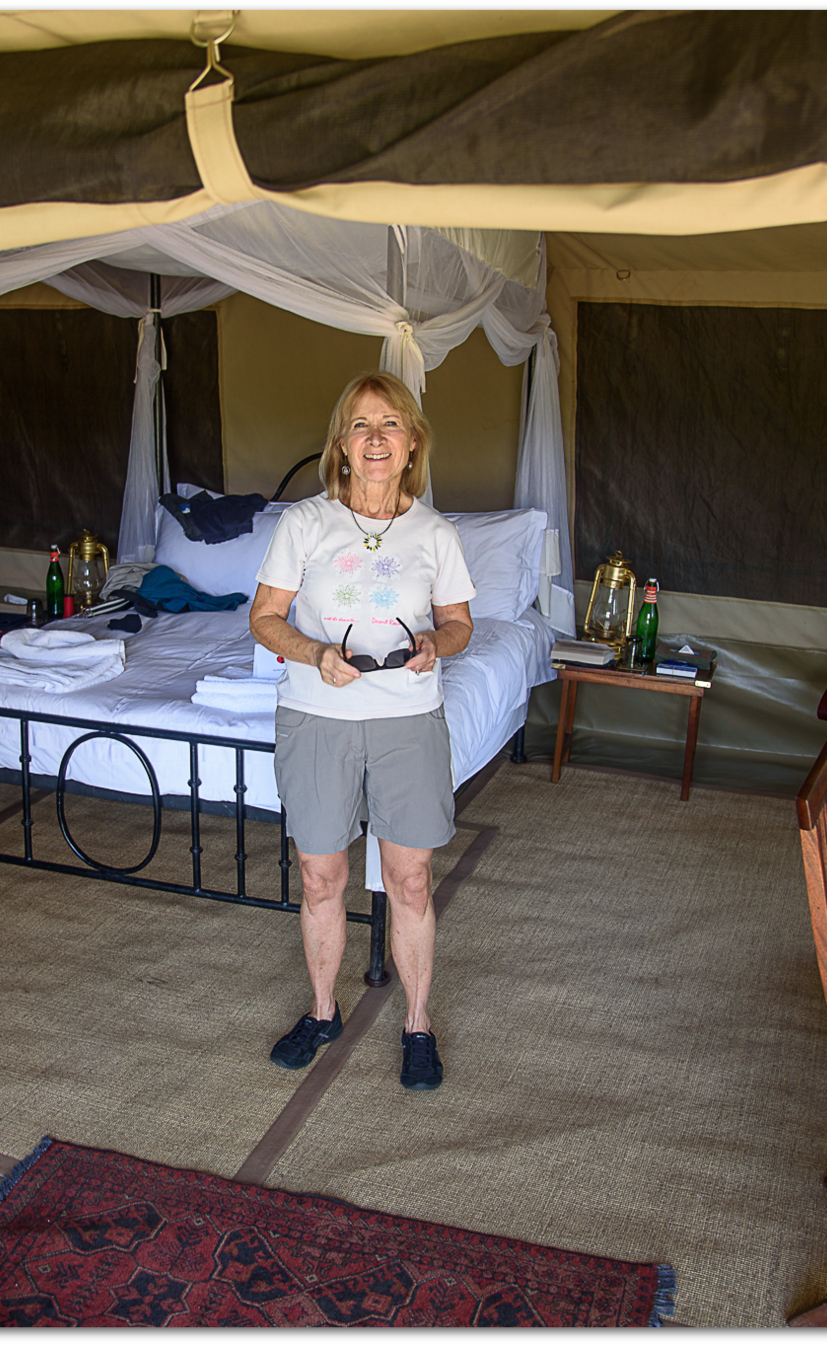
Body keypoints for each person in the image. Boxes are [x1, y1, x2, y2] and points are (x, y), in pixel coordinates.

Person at [248, 371, 475, 1091]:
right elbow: (263, 617)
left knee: (408, 880)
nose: (376, 438)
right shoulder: (304, 524)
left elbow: (463, 622)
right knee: (321, 876)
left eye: (391, 424)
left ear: (411, 445)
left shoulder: (436, 533)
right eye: (360, 425)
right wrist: (315, 653)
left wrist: (442, 643)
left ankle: (417, 1023)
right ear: (341, 446)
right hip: (319, 715)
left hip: (408, 718)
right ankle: (322, 1011)